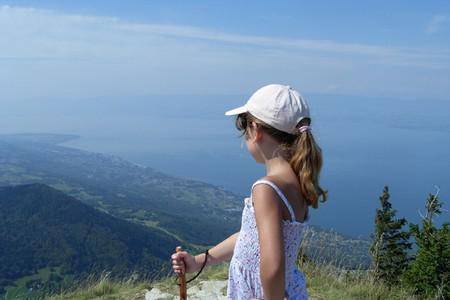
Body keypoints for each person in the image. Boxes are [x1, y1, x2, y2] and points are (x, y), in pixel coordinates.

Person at [171, 84, 327, 299]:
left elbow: (272, 267)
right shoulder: (298, 181)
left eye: (243, 126)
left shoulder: (266, 189)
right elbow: (251, 237)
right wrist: (199, 261)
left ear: (256, 129)